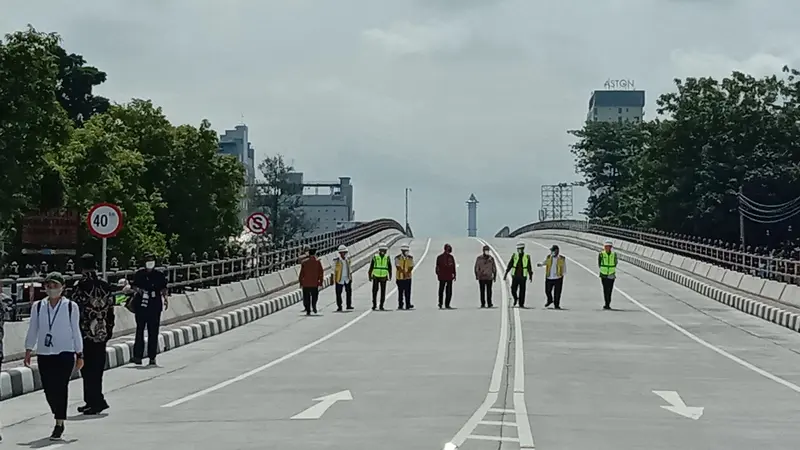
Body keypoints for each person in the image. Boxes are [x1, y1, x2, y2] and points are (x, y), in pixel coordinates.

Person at [23, 272, 83, 441]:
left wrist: (79, 353)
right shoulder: (38, 306)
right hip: (44, 352)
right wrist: (28, 349)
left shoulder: (71, 306)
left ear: (62, 287)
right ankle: (57, 413)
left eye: (55, 285)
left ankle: (59, 422)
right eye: (49, 286)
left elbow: (76, 331)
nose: (51, 289)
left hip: (65, 352)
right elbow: (33, 329)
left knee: (61, 386)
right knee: (49, 389)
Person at [70, 253, 115, 415]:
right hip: (102, 332)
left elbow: (74, 310)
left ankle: (95, 401)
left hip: (85, 333)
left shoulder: (80, 286)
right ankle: (92, 400)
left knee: (87, 369)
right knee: (97, 368)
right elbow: (111, 309)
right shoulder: (105, 285)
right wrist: (109, 329)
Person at [131, 254, 168, 366]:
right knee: (139, 330)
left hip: (154, 304)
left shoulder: (159, 275)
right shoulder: (139, 274)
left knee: (153, 331)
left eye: (152, 261)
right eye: (148, 261)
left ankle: (152, 357)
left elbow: (164, 288)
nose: (150, 263)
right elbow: (134, 286)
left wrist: (165, 299)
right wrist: (139, 290)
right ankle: (138, 356)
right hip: (141, 305)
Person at [504, 241, 533, 308]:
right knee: (513, 289)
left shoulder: (527, 256)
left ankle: (521, 304)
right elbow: (510, 264)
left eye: (521, 249)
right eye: (519, 249)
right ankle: (515, 298)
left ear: (523, 249)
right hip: (515, 276)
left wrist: (530, 275)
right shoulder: (515, 256)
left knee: (522, 291)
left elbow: (529, 266)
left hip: (523, 276)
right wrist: (506, 273)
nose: (520, 250)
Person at [537, 245, 567, 309]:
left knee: (557, 293)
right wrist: (541, 264)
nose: (551, 252)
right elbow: (546, 262)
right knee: (547, 291)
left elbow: (564, 267)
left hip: (558, 277)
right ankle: (550, 300)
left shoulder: (561, 258)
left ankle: (556, 305)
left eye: (552, 251)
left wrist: (563, 274)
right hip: (549, 277)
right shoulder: (549, 257)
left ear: (556, 251)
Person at [299, 248, 324, 315]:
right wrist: (320, 282)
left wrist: (301, 282)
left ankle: (308, 310)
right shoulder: (318, 262)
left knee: (306, 297)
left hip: (306, 283)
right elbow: (321, 273)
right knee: (314, 296)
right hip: (314, 283)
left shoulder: (304, 262)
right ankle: (314, 306)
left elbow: (301, 273)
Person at [368, 243, 392, 310]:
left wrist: (390, 275)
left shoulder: (387, 257)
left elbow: (390, 267)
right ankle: (374, 304)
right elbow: (371, 267)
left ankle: (381, 305)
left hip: (384, 276)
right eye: (382, 250)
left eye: (384, 250)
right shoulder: (375, 257)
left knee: (383, 292)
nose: (383, 251)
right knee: (374, 291)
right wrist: (369, 275)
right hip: (376, 276)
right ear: (379, 250)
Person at [331, 245, 353, 311]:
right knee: (338, 293)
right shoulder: (336, 261)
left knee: (349, 292)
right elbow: (333, 270)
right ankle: (339, 306)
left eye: (345, 252)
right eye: (342, 252)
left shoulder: (347, 259)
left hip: (347, 278)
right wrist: (332, 279)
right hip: (339, 279)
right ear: (340, 253)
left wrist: (351, 277)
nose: (344, 254)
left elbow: (350, 269)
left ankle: (348, 305)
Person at [435, 243, 457, 309]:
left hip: (448, 276)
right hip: (444, 276)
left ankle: (444, 303)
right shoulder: (440, 257)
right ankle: (442, 303)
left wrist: (454, 274)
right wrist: (438, 274)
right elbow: (437, 267)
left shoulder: (450, 257)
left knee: (446, 291)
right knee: (444, 290)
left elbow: (453, 267)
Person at [598, 239, 618, 310]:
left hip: (611, 273)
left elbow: (615, 263)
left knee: (610, 289)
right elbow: (599, 263)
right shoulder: (601, 254)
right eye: (606, 246)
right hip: (603, 273)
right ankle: (606, 303)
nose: (607, 248)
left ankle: (608, 303)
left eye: (609, 246)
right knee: (605, 289)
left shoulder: (614, 254)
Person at [394, 243, 415, 310]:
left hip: (408, 278)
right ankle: (400, 305)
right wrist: (404, 273)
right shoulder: (397, 258)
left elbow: (411, 266)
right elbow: (398, 267)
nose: (407, 252)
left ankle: (408, 304)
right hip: (400, 277)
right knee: (400, 292)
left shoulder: (410, 258)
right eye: (406, 251)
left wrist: (407, 273)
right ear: (402, 251)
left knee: (408, 292)